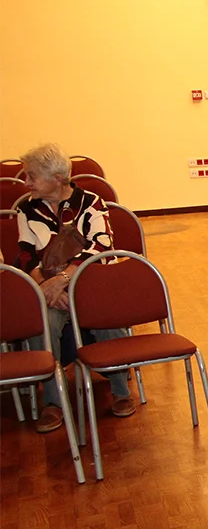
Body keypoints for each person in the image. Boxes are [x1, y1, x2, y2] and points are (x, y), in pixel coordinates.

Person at [14, 143, 136, 432]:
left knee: (103, 311)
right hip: (50, 291)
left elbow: (102, 246)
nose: (26, 182)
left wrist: (64, 279)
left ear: (57, 178)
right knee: (43, 323)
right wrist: (47, 285)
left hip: (89, 282)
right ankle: (53, 402)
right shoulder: (26, 209)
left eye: (32, 176)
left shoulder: (91, 202)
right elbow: (25, 255)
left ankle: (120, 390)